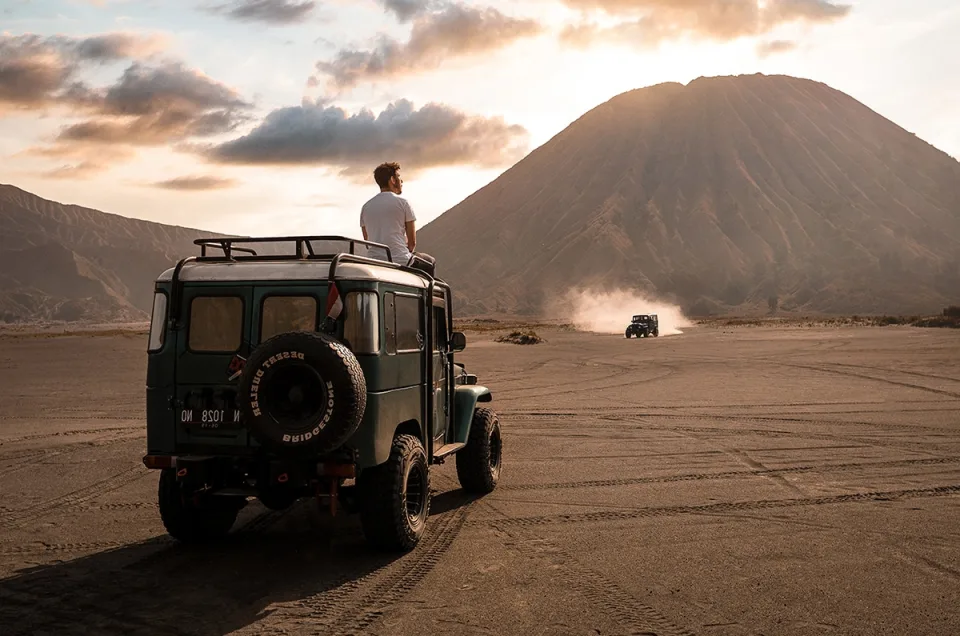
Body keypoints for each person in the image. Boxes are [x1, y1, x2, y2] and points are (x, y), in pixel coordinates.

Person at [360, 162, 416, 265]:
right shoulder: (404, 203)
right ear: (392, 180)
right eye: (398, 177)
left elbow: (367, 243)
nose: (401, 181)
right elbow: (412, 243)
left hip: (374, 260)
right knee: (430, 262)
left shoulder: (366, 207)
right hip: (400, 260)